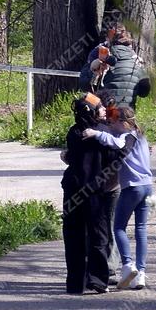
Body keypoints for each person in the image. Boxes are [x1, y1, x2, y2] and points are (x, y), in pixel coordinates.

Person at [85, 103, 153, 290]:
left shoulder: (126, 137)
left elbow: (117, 143)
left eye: (113, 122)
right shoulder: (141, 136)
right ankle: (141, 272)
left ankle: (127, 265)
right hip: (148, 186)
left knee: (119, 228)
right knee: (141, 229)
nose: (109, 124)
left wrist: (96, 133)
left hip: (132, 188)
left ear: (123, 123)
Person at [60, 93, 114, 294]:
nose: (103, 110)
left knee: (73, 236)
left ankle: (75, 283)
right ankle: (98, 280)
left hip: (72, 190)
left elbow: (72, 157)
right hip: (94, 192)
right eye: (100, 108)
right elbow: (112, 158)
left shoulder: (73, 132)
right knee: (98, 235)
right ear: (90, 111)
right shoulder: (102, 133)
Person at [81, 25, 146, 109]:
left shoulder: (101, 54)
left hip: (103, 112)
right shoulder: (135, 59)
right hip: (127, 114)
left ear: (108, 39)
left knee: (84, 99)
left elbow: (84, 85)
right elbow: (144, 92)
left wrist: (93, 70)